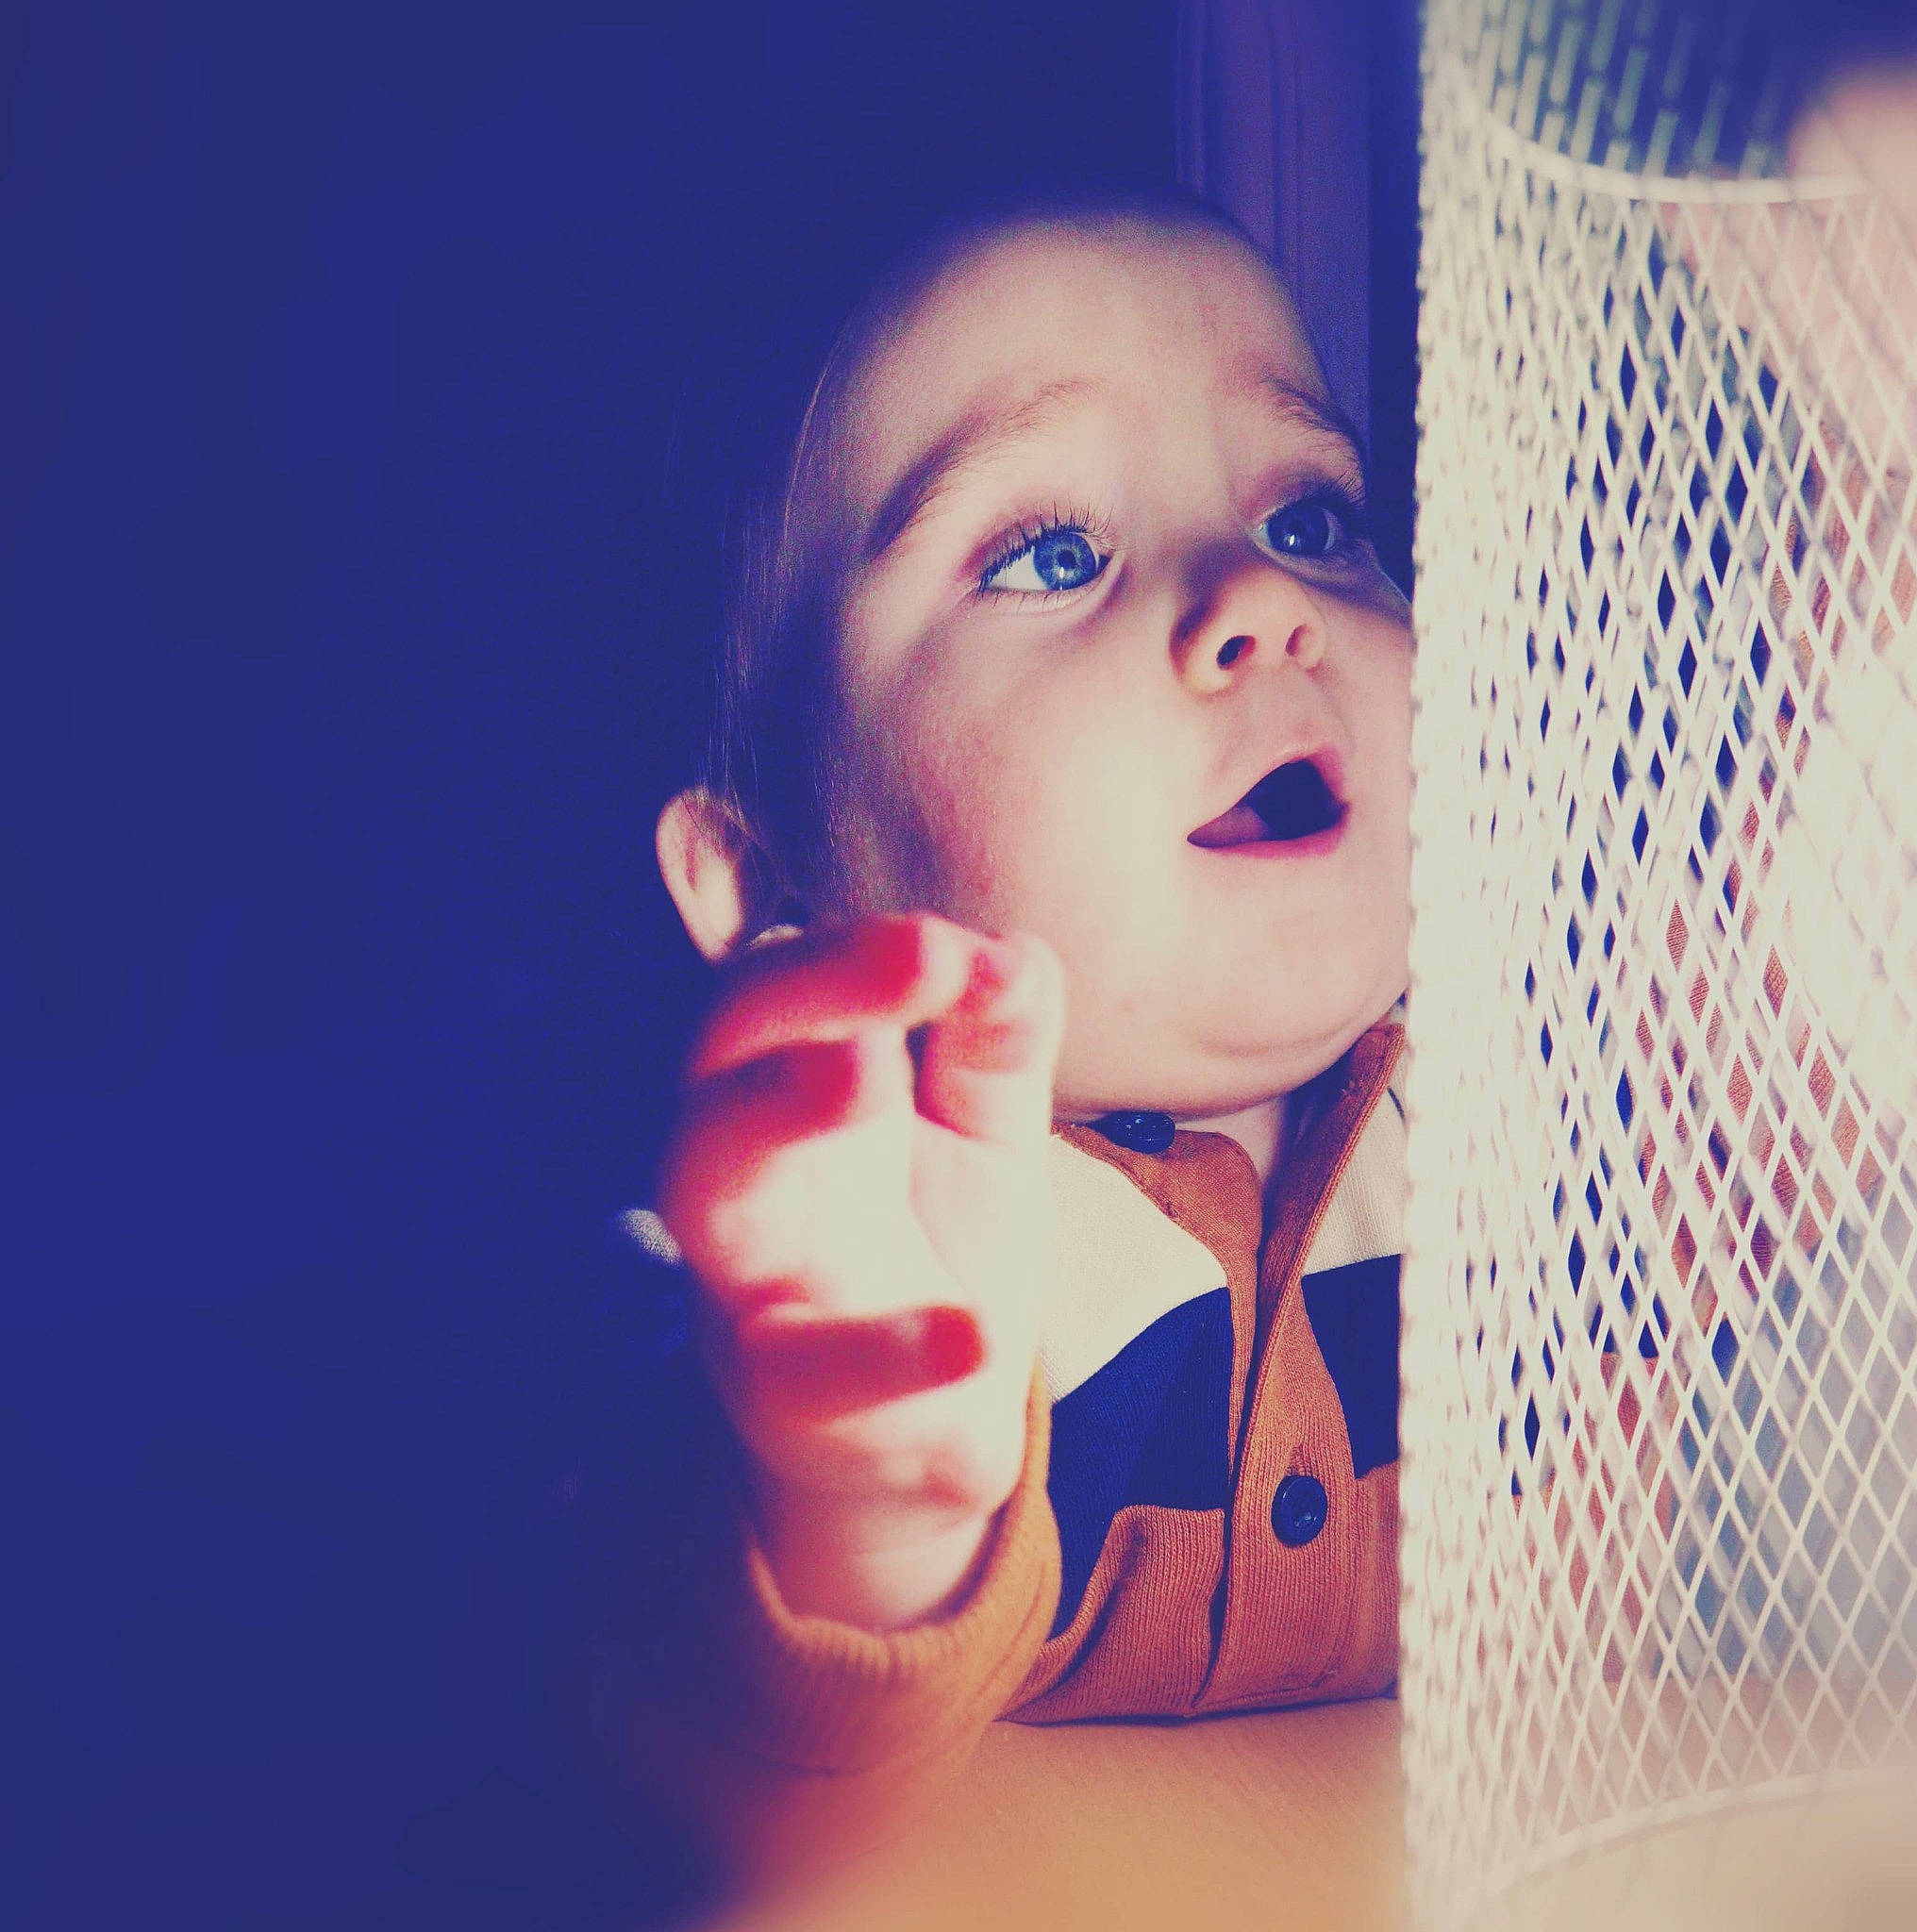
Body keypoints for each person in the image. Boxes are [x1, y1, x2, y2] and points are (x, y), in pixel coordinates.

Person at [578, 178, 1416, 1885]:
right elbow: (649, 1722)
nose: (1260, 601)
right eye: (1052, 554)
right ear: (765, 879)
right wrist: (860, 1504)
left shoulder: (1578, 1116)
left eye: (1312, 517)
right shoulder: (828, 1266)